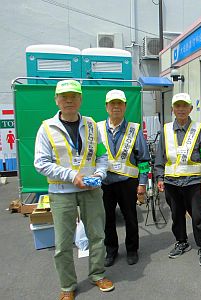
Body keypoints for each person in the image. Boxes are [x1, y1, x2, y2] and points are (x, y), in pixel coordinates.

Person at [34, 80, 114, 300]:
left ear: (81, 99)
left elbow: (102, 156)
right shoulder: (47, 128)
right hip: (61, 193)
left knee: (97, 235)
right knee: (62, 243)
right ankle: (67, 286)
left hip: (91, 189)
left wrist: (99, 174)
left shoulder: (91, 126)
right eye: (64, 96)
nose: (69, 100)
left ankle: (97, 274)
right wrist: (71, 176)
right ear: (56, 100)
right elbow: (40, 163)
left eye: (73, 96)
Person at [155, 92, 201, 267]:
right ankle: (182, 241)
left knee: (198, 216)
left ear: (190, 109)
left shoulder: (199, 128)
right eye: (177, 106)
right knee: (176, 215)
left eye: (184, 106)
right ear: (173, 109)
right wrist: (159, 176)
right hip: (172, 182)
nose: (181, 109)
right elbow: (160, 155)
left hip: (194, 182)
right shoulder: (165, 129)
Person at [98, 89, 150, 267]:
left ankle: (132, 249)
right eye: (112, 103)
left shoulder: (134, 130)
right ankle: (111, 250)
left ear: (125, 106)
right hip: (104, 184)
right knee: (107, 219)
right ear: (106, 107)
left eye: (119, 103)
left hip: (128, 183)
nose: (116, 107)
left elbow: (144, 160)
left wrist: (143, 184)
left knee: (130, 217)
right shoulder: (97, 129)